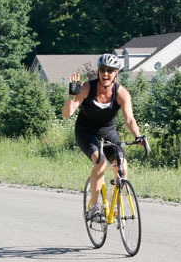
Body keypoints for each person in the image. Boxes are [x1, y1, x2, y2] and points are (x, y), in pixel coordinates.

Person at [62, 53, 144, 222]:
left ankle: (115, 205)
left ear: (116, 73)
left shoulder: (122, 93)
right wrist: (71, 96)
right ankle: (94, 208)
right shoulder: (87, 88)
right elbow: (67, 113)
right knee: (100, 162)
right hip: (86, 132)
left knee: (122, 167)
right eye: (102, 70)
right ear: (98, 71)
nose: (105, 74)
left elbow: (129, 119)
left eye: (110, 70)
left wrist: (138, 136)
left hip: (108, 133)